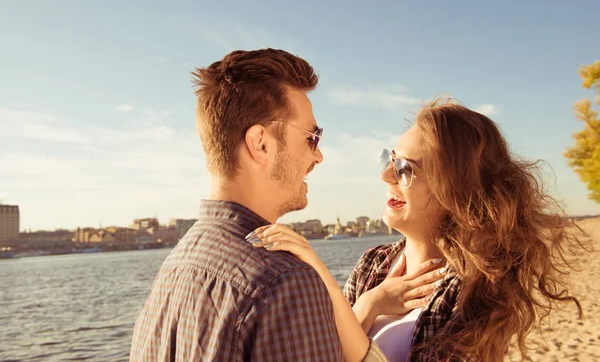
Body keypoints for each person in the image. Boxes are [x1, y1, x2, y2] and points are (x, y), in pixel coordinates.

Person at [248, 98, 585, 361]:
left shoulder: (472, 292)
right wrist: (369, 304)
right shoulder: (374, 263)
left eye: (405, 169)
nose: (386, 176)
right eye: (389, 160)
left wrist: (325, 275)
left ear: (456, 193)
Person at [129, 48, 345, 361]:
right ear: (261, 144)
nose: (318, 155)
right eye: (312, 137)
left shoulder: (177, 266)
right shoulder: (283, 282)